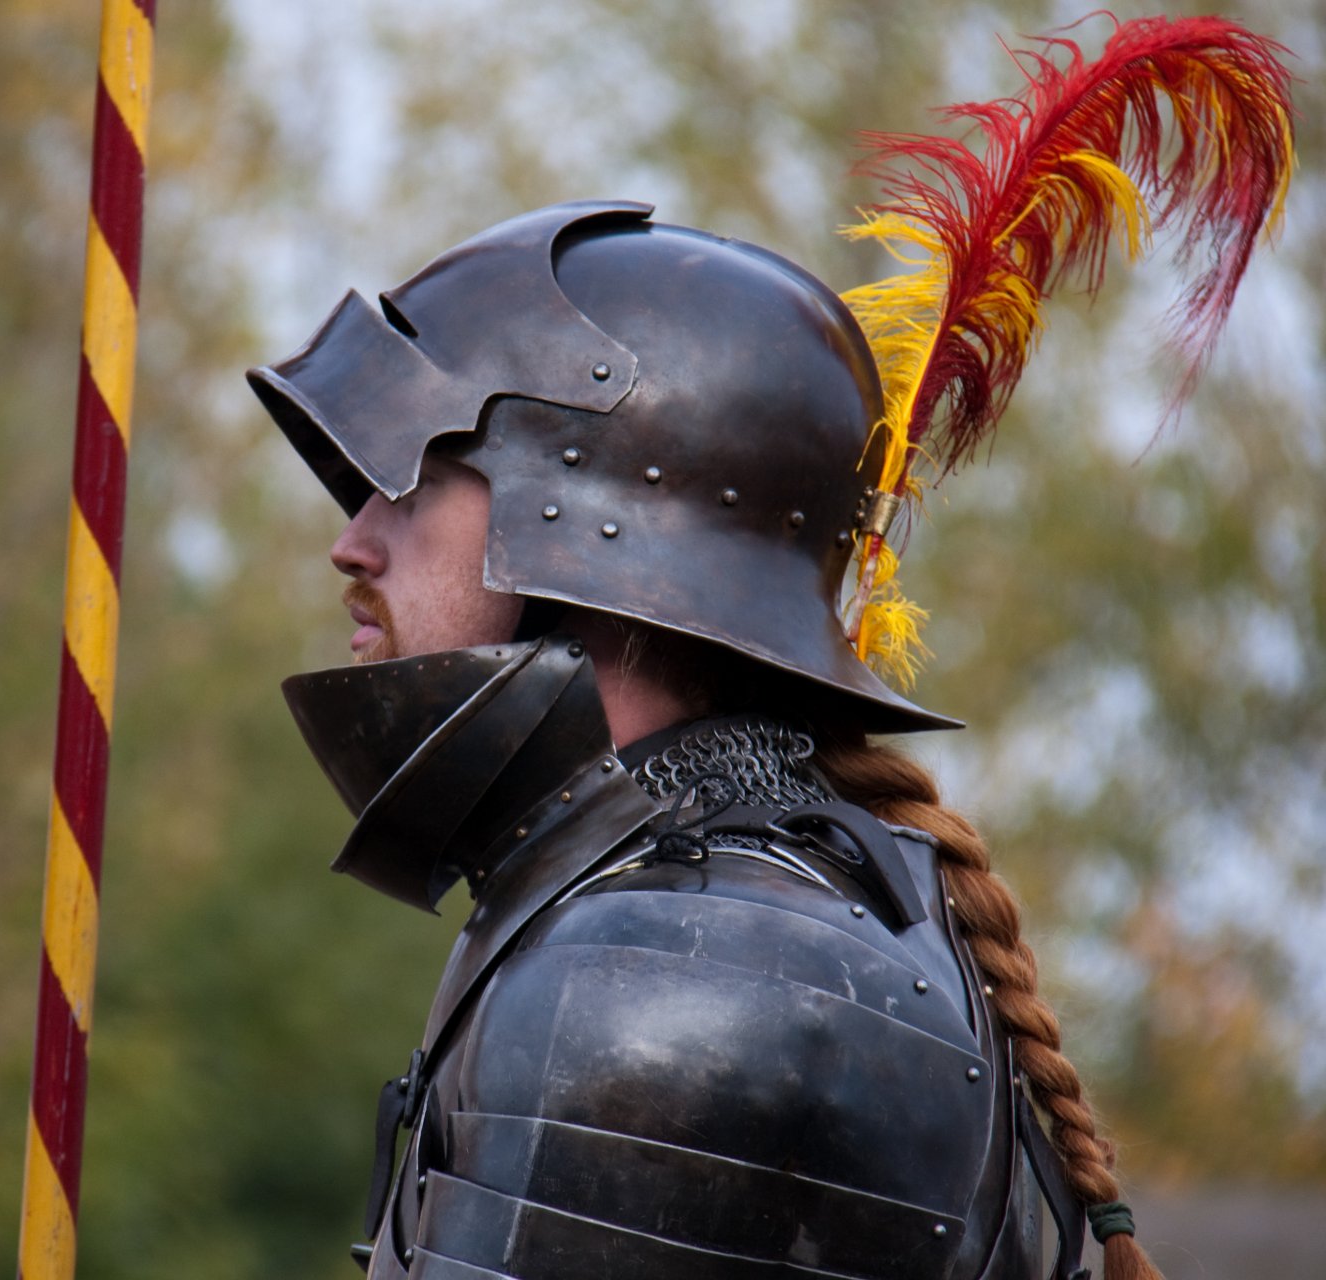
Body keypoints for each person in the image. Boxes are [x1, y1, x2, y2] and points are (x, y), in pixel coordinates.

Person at [251, 201, 1090, 1280]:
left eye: (412, 478)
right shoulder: (677, 905)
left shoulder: (676, 973)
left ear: (578, 520)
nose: (351, 539)